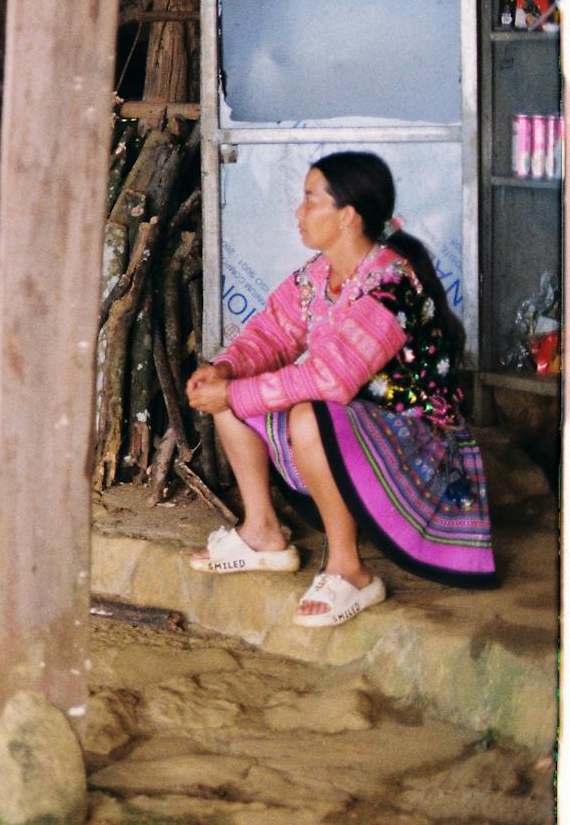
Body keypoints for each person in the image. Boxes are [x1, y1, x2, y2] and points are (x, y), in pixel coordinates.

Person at [186, 151, 495, 628]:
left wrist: (234, 395)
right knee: (233, 388)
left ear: (347, 215)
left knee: (306, 411)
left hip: (418, 449)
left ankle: (349, 571)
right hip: (357, 434)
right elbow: (270, 334)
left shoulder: (390, 285)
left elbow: (331, 379)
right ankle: (262, 531)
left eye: (310, 200)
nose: (299, 212)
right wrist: (225, 370)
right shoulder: (317, 276)